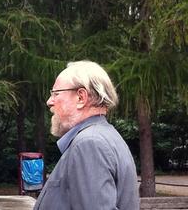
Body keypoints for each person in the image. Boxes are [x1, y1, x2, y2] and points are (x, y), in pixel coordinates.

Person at [34, 60, 139, 210]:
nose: (49, 101)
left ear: (81, 98)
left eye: (56, 93)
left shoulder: (89, 144)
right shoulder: (105, 136)